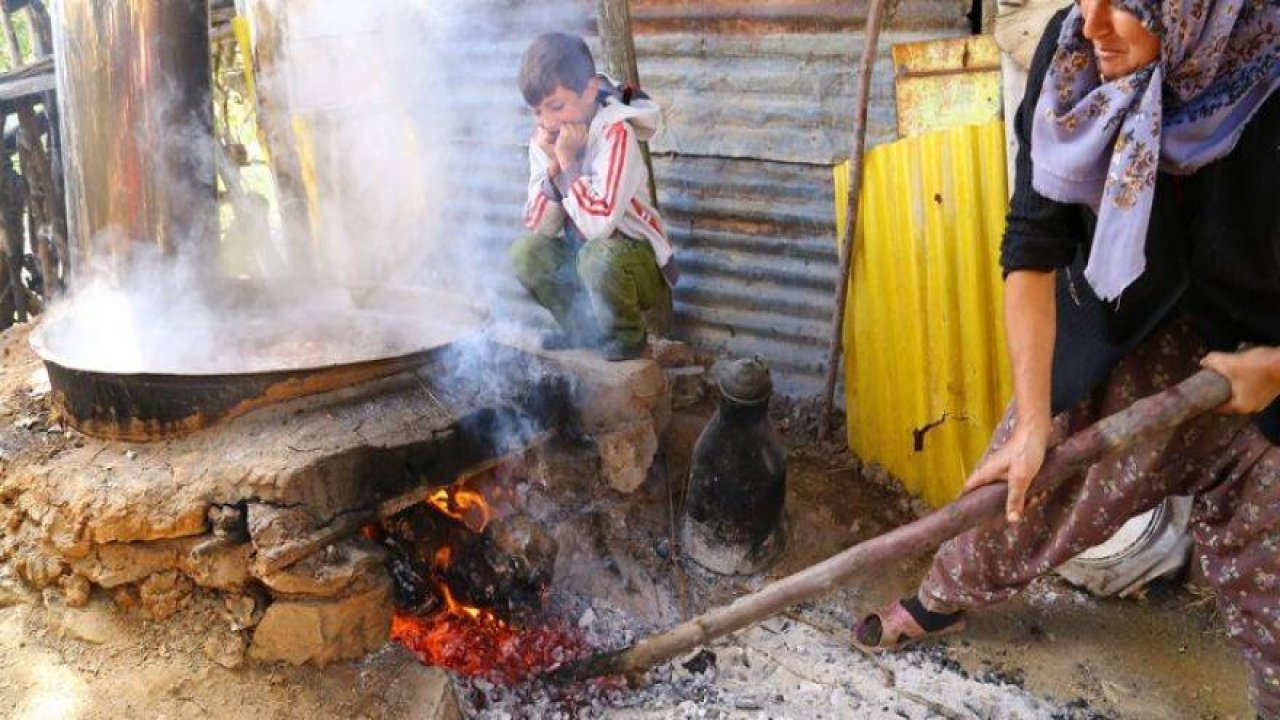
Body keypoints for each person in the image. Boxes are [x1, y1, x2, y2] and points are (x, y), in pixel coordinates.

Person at [852, 0, 1280, 715]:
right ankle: (941, 598)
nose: (1092, 23)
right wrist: (1032, 421)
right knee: (1028, 484)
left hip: (1264, 350)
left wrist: (1272, 370)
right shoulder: (1074, 56)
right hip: (1126, 323)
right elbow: (1033, 240)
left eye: (1125, 4)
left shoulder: (1269, 79)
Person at [510, 32, 677, 362]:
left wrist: (570, 164)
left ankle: (627, 338)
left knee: (597, 258)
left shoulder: (617, 134)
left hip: (634, 265)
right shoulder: (547, 138)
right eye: (537, 113)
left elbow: (599, 225)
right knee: (525, 253)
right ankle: (582, 333)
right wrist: (555, 167)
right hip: (584, 256)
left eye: (556, 107)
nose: (547, 122)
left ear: (588, 91)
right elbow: (538, 226)